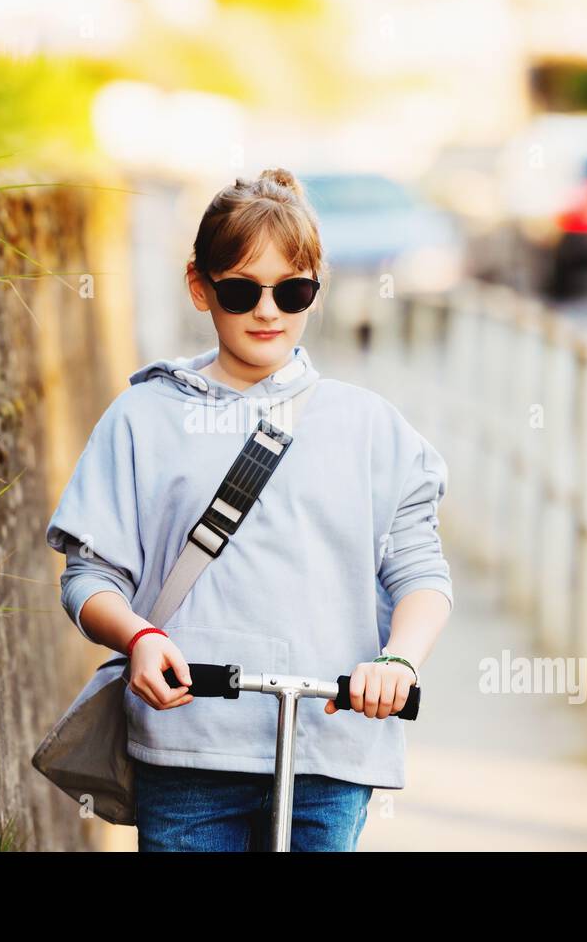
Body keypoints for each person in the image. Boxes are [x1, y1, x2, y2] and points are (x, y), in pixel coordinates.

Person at [44, 167, 454, 852]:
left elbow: (421, 575)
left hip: (330, 755)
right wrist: (140, 638)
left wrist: (400, 663)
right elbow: (88, 577)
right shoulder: (145, 416)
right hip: (188, 755)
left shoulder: (370, 426)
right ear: (200, 286)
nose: (268, 312)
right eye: (241, 290)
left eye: (291, 291)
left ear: (315, 290)